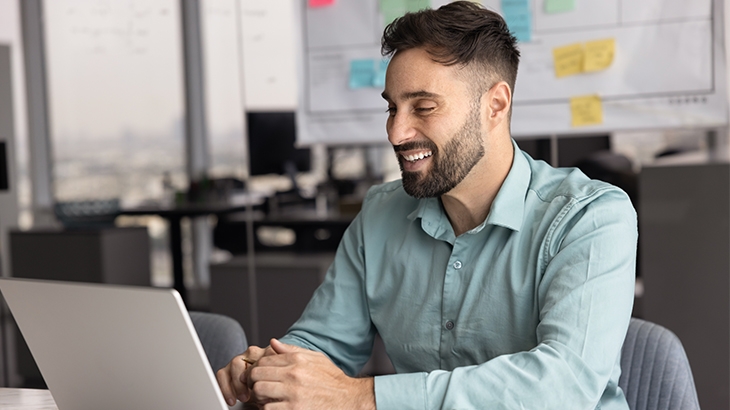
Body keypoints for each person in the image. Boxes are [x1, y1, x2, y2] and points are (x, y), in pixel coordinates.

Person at [217, 2, 637, 409]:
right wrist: (272, 371)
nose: (397, 132)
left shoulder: (590, 218)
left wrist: (363, 398)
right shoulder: (381, 214)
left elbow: (563, 387)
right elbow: (324, 343)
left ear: (495, 105)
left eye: (424, 107)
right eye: (392, 107)